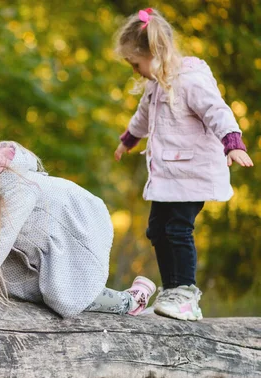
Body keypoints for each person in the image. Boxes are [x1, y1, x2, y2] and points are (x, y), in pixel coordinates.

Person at [0, 111, 156, 318]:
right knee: (37, 293)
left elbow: (1, 237)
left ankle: (132, 300)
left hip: (76, 226)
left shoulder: (14, 185)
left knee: (69, 296)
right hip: (44, 244)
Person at [113, 8, 254, 321]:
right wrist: (128, 140)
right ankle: (173, 289)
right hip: (167, 177)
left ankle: (186, 293)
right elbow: (142, 118)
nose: (135, 71)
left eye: (135, 63)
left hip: (193, 175)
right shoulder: (155, 86)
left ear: (153, 53)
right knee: (156, 230)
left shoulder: (191, 82)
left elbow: (218, 111)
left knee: (178, 229)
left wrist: (232, 143)